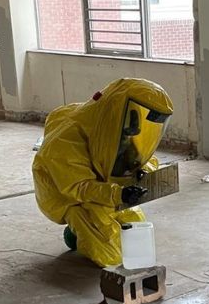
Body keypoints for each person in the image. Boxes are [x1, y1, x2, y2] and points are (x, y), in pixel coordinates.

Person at [32, 78, 173, 267]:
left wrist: (143, 170)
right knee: (110, 256)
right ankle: (76, 228)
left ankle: (81, 231)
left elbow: (138, 157)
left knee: (135, 225)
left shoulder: (115, 125)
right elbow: (79, 187)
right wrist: (119, 194)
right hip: (69, 197)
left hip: (102, 187)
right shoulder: (63, 142)